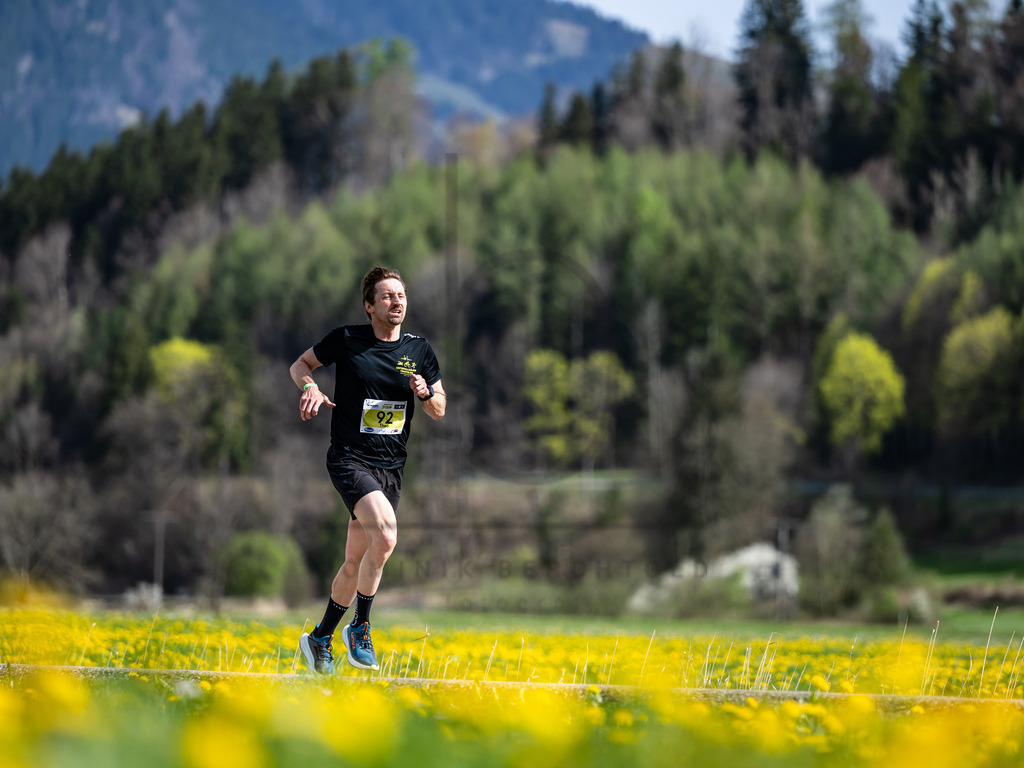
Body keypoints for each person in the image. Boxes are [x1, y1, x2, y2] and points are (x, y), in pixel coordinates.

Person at [291, 265, 445, 673]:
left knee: (357, 560)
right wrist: (310, 387)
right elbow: (300, 365)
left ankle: (320, 637)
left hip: (390, 468)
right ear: (369, 305)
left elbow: (439, 409)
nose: (397, 302)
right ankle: (360, 626)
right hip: (349, 458)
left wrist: (426, 392)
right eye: (388, 296)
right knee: (388, 534)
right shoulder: (347, 340)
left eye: (401, 296)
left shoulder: (419, 351)